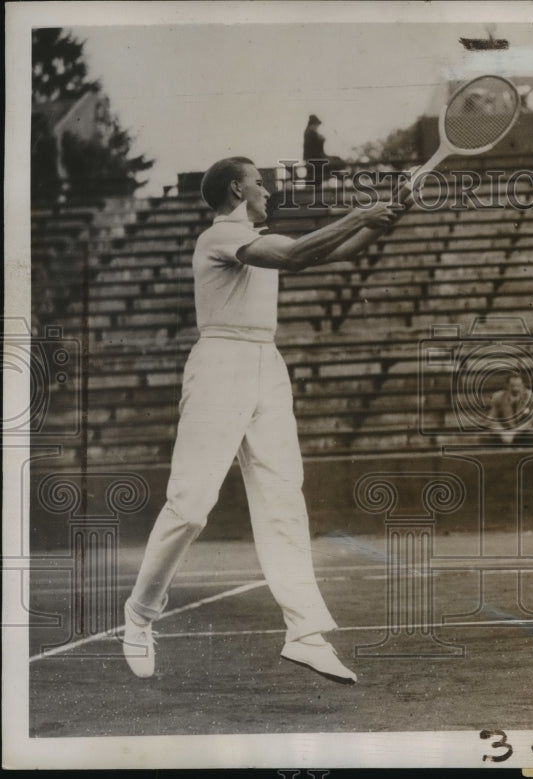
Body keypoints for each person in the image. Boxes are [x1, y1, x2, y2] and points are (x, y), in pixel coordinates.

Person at [122, 157, 402, 684]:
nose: (268, 190)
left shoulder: (256, 238)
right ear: (236, 188)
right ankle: (139, 614)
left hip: (265, 364)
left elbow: (332, 253)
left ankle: (305, 634)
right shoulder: (218, 237)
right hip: (220, 363)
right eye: (259, 182)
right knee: (191, 505)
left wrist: (384, 219)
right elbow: (297, 255)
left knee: (283, 496)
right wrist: (361, 213)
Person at [486, 372, 533, 444]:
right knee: (485, 438)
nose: (515, 389)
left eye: (518, 386)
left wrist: (513, 432)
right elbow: (491, 420)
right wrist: (502, 432)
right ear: (506, 386)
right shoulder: (498, 397)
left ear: (523, 385)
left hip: (526, 432)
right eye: (512, 386)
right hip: (505, 434)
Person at [302, 114, 348, 186]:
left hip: (316, 159)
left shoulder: (311, 133)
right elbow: (315, 151)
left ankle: (338, 178)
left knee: (337, 160)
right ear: (312, 124)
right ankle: (339, 179)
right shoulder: (311, 133)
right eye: (316, 125)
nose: (317, 127)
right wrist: (321, 140)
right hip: (316, 160)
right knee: (339, 162)